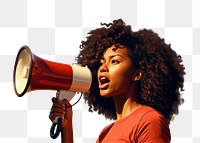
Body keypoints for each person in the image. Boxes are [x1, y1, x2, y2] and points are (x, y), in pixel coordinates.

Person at [49, 19, 185, 143]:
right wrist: (66, 127)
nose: (102, 68)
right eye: (101, 63)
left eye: (114, 61)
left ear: (137, 74)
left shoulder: (149, 121)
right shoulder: (105, 133)